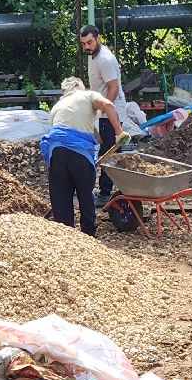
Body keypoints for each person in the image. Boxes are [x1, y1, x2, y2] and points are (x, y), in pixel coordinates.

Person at [41, 76, 126, 236]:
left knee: (61, 197)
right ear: (81, 87)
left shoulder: (58, 106)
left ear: (64, 91)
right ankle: (88, 236)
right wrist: (119, 133)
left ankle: (66, 236)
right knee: (85, 194)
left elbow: (74, 128)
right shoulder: (88, 95)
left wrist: (98, 140)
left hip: (55, 151)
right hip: (79, 154)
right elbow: (108, 104)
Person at [79, 25, 128, 202]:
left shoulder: (104, 60)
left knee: (109, 152)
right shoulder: (94, 55)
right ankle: (97, 188)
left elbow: (113, 89)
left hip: (111, 110)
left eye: (90, 42)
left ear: (98, 38)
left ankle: (106, 193)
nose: (86, 47)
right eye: (83, 44)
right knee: (104, 150)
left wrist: (103, 110)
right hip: (104, 110)